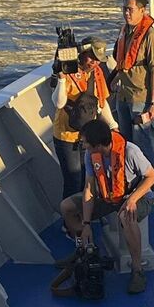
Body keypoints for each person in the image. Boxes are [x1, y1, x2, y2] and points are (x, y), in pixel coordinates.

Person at [60, 118, 154, 295]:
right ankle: (84, 251)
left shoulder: (130, 151)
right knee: (67, 207)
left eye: (86, 143)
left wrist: (132, 199)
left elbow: (152, 177)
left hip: (137, 196)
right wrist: (87, 223)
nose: (84, 147)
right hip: (109, 197)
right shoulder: (91, 155)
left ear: (97, 144)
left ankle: (137, 270)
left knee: (125, 216)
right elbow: (89, 188)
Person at [51, 36, 116, 198]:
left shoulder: (97, 73)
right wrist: (61, 78)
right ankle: (70, 220)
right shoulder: (68, 71)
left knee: (87, 178)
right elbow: (59, 103)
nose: (94, 63)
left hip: (88, 136)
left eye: (98, 60)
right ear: (82, 53)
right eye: (91, 58)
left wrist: (113, 125)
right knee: (73, 180)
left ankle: (84, 215)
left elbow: (102, 102)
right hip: (66, 136)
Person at [111, 0, 154, 138]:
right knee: (125, 141)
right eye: (124, 9)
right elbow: (123, 62)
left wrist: (153, 103)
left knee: (142, 142)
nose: (126, 13)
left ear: (142, 10)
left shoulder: (150, 36)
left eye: (130, 10)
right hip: (123, 96)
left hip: (140, 99)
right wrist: (114, 81)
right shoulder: (124, 32)